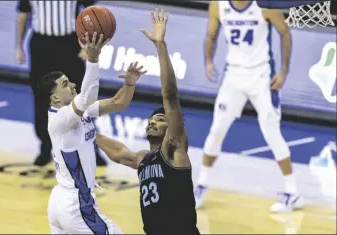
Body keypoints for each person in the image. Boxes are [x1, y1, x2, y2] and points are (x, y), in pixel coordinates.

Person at [95, 9, 200, 235]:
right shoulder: (143, 158)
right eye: (151, 120)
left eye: (160, 120)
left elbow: (170, 96)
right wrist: (86, 130)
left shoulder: (173, 148)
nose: (152, 122)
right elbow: (119, 153)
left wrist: (160, 45)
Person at [194, 0, 304, 213]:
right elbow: (211, 36)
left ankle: (293, 193)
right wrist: (208, 61)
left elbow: (285, 33)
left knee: (271, 132)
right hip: (233, 76)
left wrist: (283, 71)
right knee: (216, 130)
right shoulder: (217, 5)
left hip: (262, 75)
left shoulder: (265, 5)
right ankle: (200, 185)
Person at [39, 31, 146, 234]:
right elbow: (88, 95)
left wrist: (129, 83)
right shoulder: (59, 121)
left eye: (69, 81)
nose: (72, 85)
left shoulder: (80, 109)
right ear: (54, 98)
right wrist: (93, 59)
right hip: (75, 203)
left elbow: (118, 103)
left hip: (60, 199)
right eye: (64, 84)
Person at [16, 0, 108, 166]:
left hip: (69, 44)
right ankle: (46, 147)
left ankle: (90, 147)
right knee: (42, 97)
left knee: (79, 97)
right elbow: (23, 14)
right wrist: (18, 46)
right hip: (41, 45)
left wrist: (86, 45)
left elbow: (91, 12)